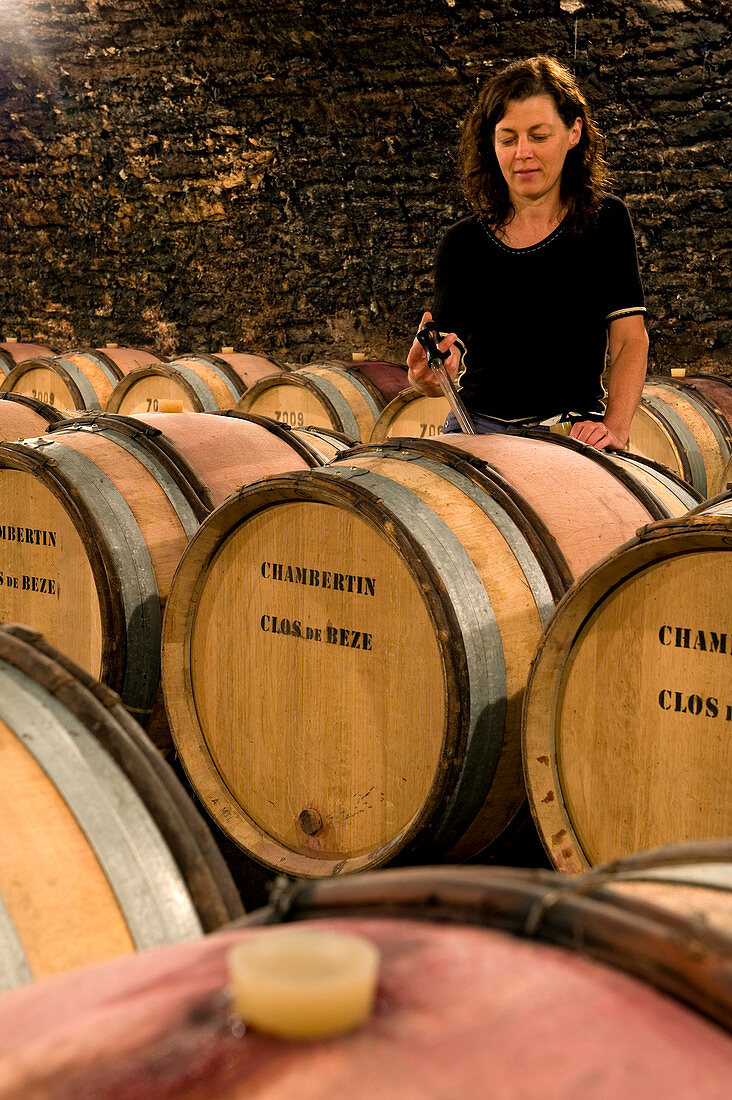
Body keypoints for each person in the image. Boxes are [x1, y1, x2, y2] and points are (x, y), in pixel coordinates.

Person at [406, 55, 648, 449]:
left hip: (571, 434)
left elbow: (630, 340)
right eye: (508, 138)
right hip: (474, 432)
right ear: (491, 143)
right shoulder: (462, 243)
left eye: (539, 136)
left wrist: (616, 427)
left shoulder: (604, 221)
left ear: (574, 133)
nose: (522, 153)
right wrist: (426, 377)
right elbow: (442, 365)